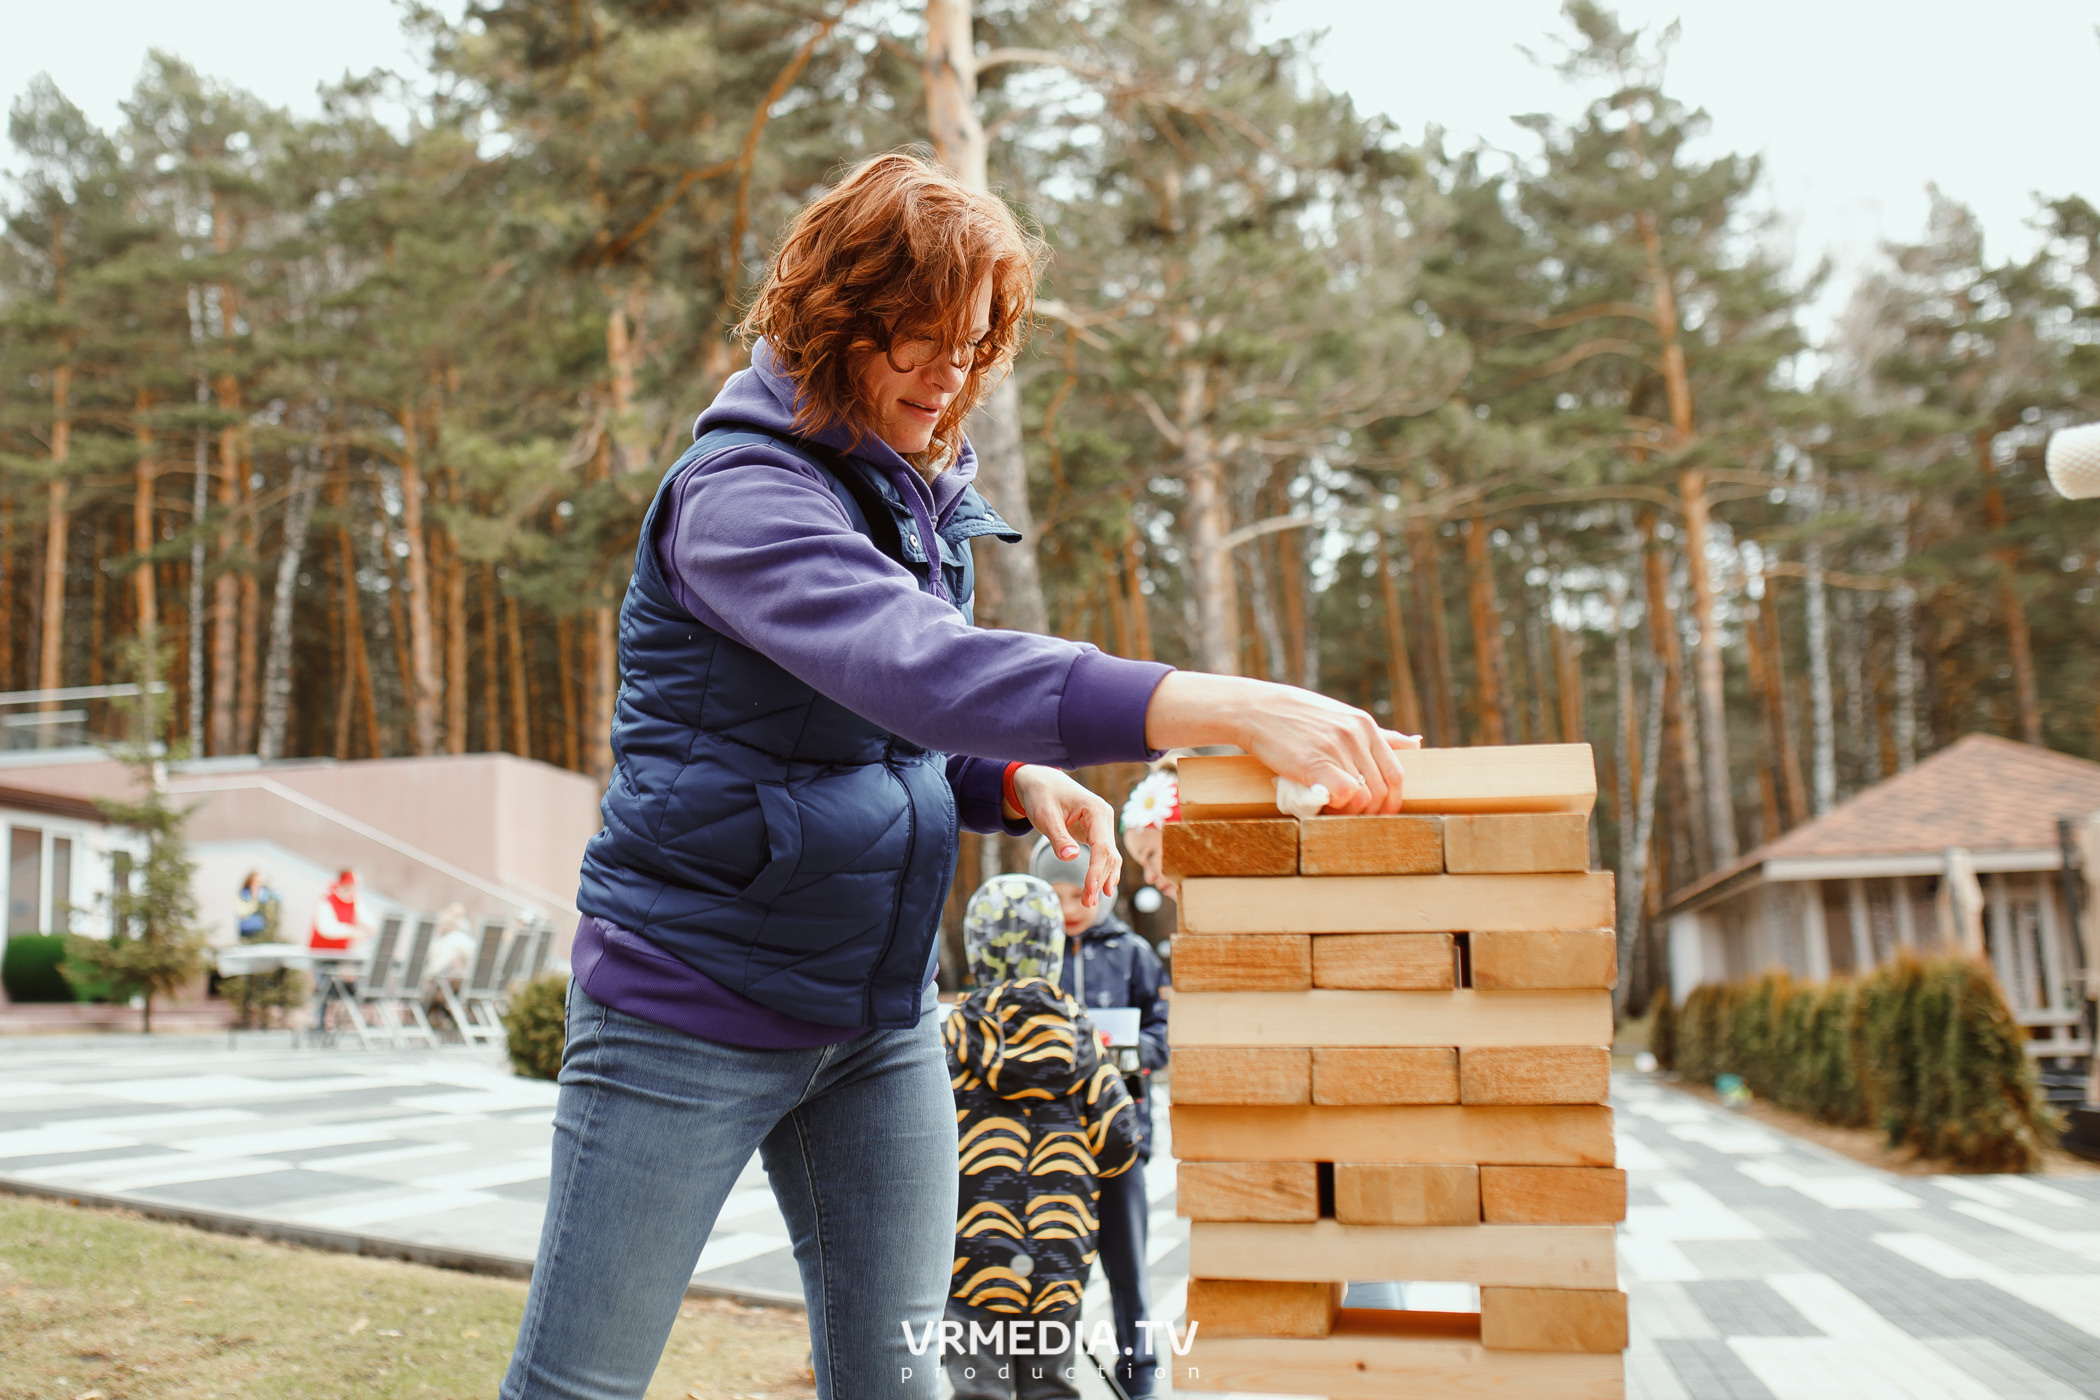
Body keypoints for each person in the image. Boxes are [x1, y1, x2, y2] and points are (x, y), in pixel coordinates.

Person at [501, 151, 1419, 1400]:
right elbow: (914, 665)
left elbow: (881, 725)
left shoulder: (911, 489)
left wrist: (1004, 778)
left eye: (976, 344)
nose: (950, 373)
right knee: (580, 1387)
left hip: (875, 1022)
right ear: (831, 323)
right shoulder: (739, 499)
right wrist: (1221, 704)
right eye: (918, 340)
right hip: (687, 1007)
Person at [943, 874, 1138, 1399]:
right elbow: (1121, 1142)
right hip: (1057, 1255)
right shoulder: (1082, 1041)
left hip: (969, 1256)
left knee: (978, 1388)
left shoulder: (954, 1038)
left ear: (976, 949)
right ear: (1052, 949)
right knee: (1051, 1387)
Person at [1030, 837, 1170, 1397]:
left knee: (1128, 1266)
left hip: (1121, 1137)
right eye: (1056, 895)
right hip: (1049, 1140)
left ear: (1103, 888)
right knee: (1052, 1269)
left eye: (1079, 892)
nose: (1069, 908)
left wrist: (1127, 1054)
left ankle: (1142, 1375)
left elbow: (1163, 1029)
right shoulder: (1035, 955)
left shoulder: (1133, 952)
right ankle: (1046, 1375)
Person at [308, 869, 372, 951]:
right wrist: (352, 932)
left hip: (340, 953)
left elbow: (366, 919)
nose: (351, 888)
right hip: (321, 953)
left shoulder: (355, 901)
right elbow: (327, 929)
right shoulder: (327, 899)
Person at [234, 871, 280, 943]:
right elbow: (242, 913)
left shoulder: (265, 897)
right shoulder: (243, 895)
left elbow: (270, 915)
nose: (258, 886)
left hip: (261, 933)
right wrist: (254, 899)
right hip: (246, 933)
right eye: (256, 882)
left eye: (260, 883)